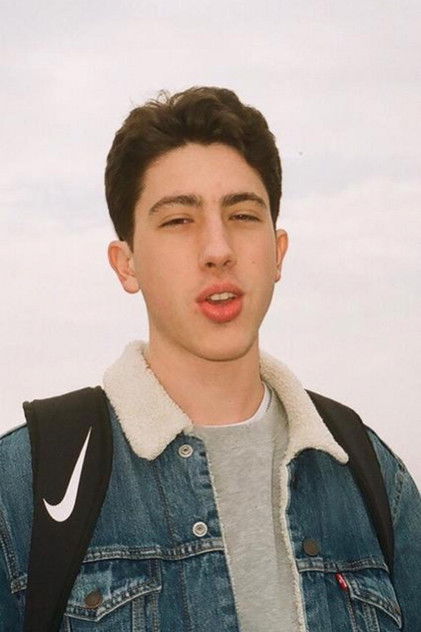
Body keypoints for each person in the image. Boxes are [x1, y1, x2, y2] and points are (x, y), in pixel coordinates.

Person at [1, 86, 420, 631]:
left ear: (278, 252)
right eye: (179, 220)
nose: (218, 249)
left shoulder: (370, 475)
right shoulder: (27, 481)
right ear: (126, 264)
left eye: (243, 215)